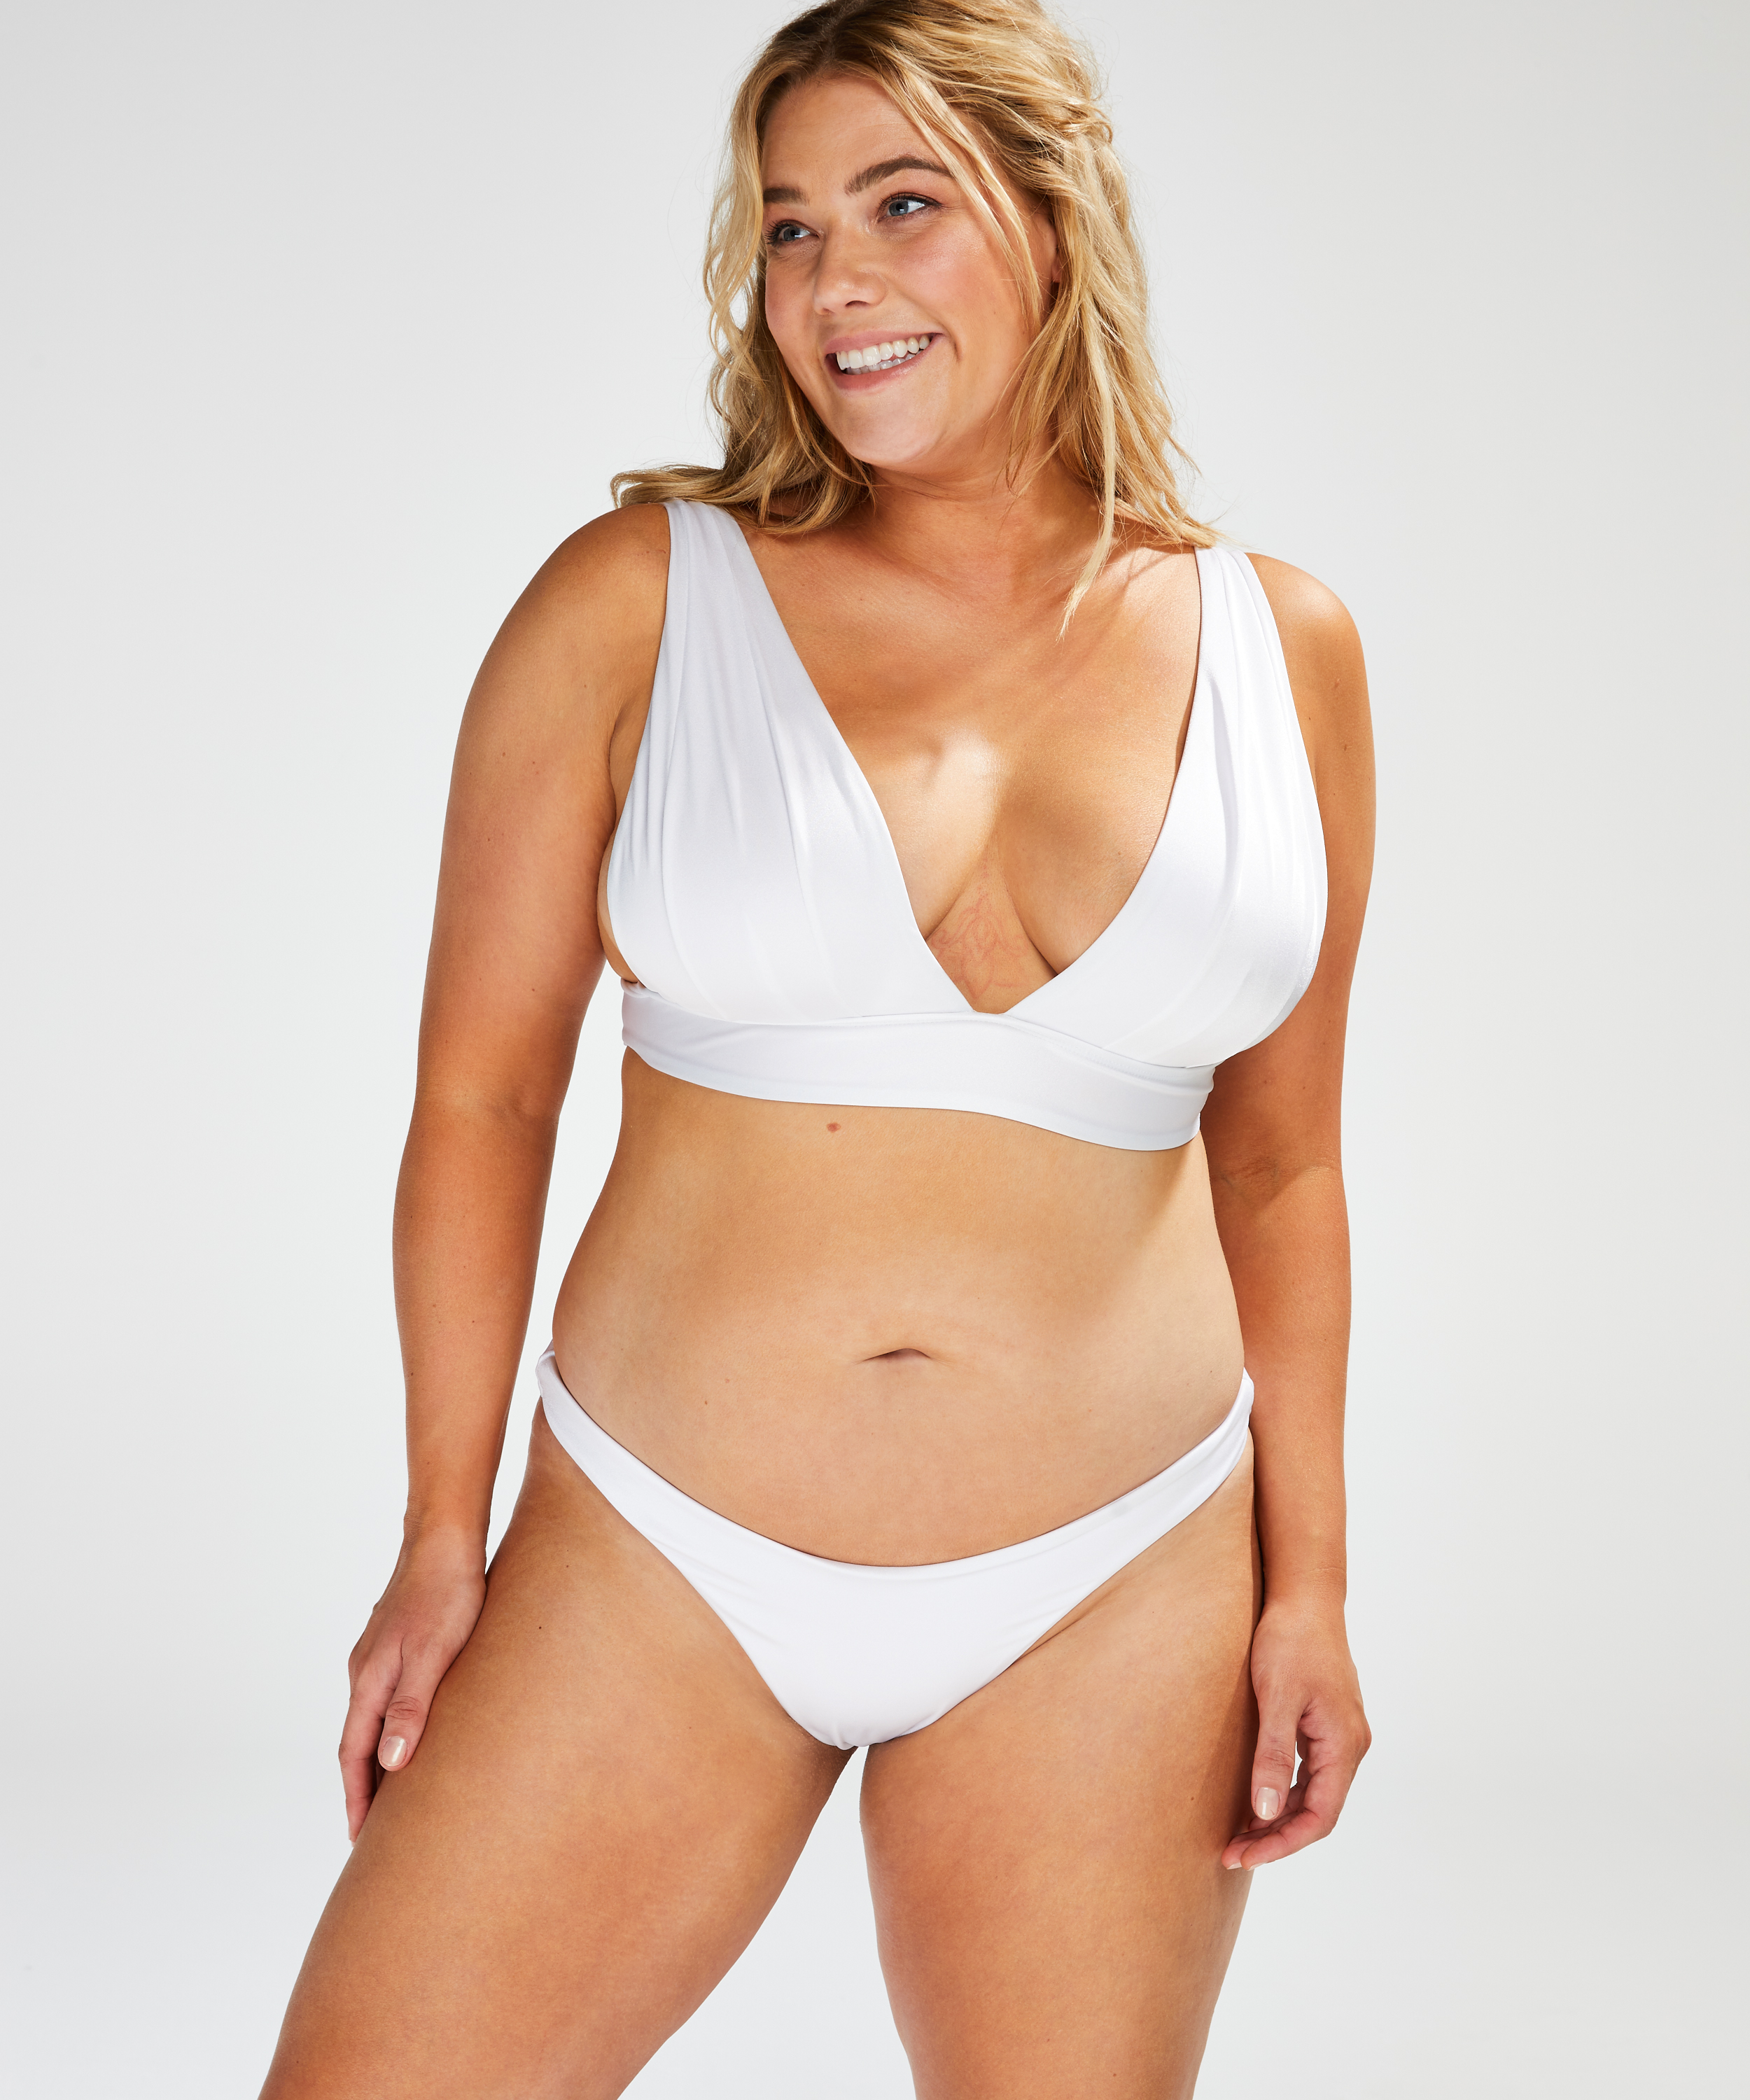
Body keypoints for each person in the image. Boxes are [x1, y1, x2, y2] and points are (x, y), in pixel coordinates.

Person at [260, 1, 1373, 2092]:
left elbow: (1284, 1161)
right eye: (788, 228)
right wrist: (436, 1535)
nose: (834, 279)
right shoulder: (637, 599)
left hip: (1118, 1574)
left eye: (900, 205)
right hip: (659, 1550)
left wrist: (1306, 1586)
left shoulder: (1277, 646)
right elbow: (482, 1098)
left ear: (1054, 223)